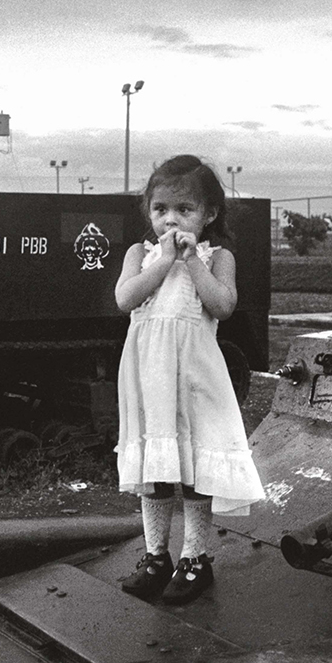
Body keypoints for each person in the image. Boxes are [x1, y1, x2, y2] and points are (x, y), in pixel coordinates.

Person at [113, 154, 265, 604]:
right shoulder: (140, 254)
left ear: (209, 214)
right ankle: (155, 555)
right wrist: (162, 261)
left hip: (196, 376)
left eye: (184, 210)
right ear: (149, 213)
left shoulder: (218, 258)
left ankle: (195, 558)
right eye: (161, 210)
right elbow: (125, 299)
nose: (171, 220)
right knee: (156, 467)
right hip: (149, 376)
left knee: (194, 467)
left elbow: (223, 306)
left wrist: (192, 262)